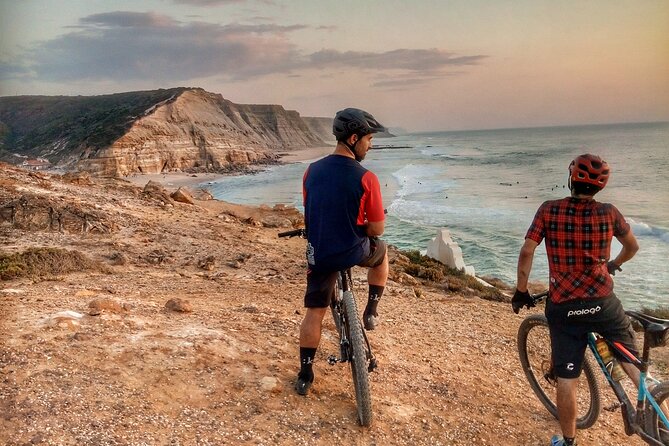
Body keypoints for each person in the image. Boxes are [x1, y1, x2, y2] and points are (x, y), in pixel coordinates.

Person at [512, 154, 640, 446]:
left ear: (571, 180)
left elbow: (527, 251)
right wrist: (613, 264)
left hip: (564, 307)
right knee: (631, 361)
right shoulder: (609, 213)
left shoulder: (549, 210)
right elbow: (632, 246)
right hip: (604, 303)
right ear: (599, 188)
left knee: (567, 376)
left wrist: (521, 290)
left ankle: (568, 441)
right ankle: (658, 413)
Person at [295, 108, 389, 396]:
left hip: (321, 255)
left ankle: (305, 373)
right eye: (369, 139)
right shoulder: (366, 178)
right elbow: (377, 229)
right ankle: (371, 311)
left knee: (314, 314)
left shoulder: (310, 171)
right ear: (353, 138)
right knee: (382, 252)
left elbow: (312, 211)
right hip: (353, 251)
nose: (370, 145)